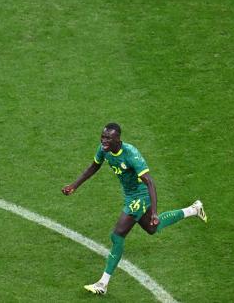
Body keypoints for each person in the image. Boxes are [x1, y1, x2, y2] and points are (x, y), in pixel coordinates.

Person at [62, 123, 207, 295]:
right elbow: (94, 166)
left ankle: (103, 284)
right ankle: (194, 209)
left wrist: (154, 211)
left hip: (141, 195)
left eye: (108, 138)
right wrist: (74, 186)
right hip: (130, 195)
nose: (103, 140)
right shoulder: (104, 149)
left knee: (117, 235)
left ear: (118, 139)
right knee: (152, 228)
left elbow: (150, 183)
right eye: (102, 136)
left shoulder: (131, 154)